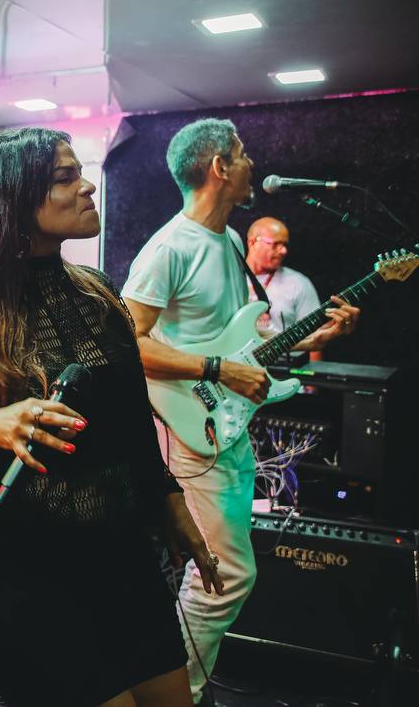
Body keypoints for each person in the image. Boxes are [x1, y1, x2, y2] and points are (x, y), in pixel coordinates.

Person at [0, 128, 217, 707]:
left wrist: (169, 503)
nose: (87, 185)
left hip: (120, 560)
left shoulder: (96, 293)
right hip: (23, 574)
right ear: (14, 199)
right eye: (66, 178)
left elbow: (133, 426)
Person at [121, 118, 359, 702]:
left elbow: (243, 343)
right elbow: (127, 342)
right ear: (219, 168)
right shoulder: (170, 246)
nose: (252, 162)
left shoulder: (228, 240)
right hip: (188, 425)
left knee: (212, 574)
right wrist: (217, 372)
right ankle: (177, 695)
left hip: (227, 424)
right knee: (225, 577)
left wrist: (314, 335)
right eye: (243, 154)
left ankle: (171, 688)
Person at [244, 216, 322, 350]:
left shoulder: (298, 283)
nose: (283, 251)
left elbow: (315, 339)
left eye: (285, 245)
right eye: (276, 244)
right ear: (252, 242)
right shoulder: (229, 277)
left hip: (283, 365)